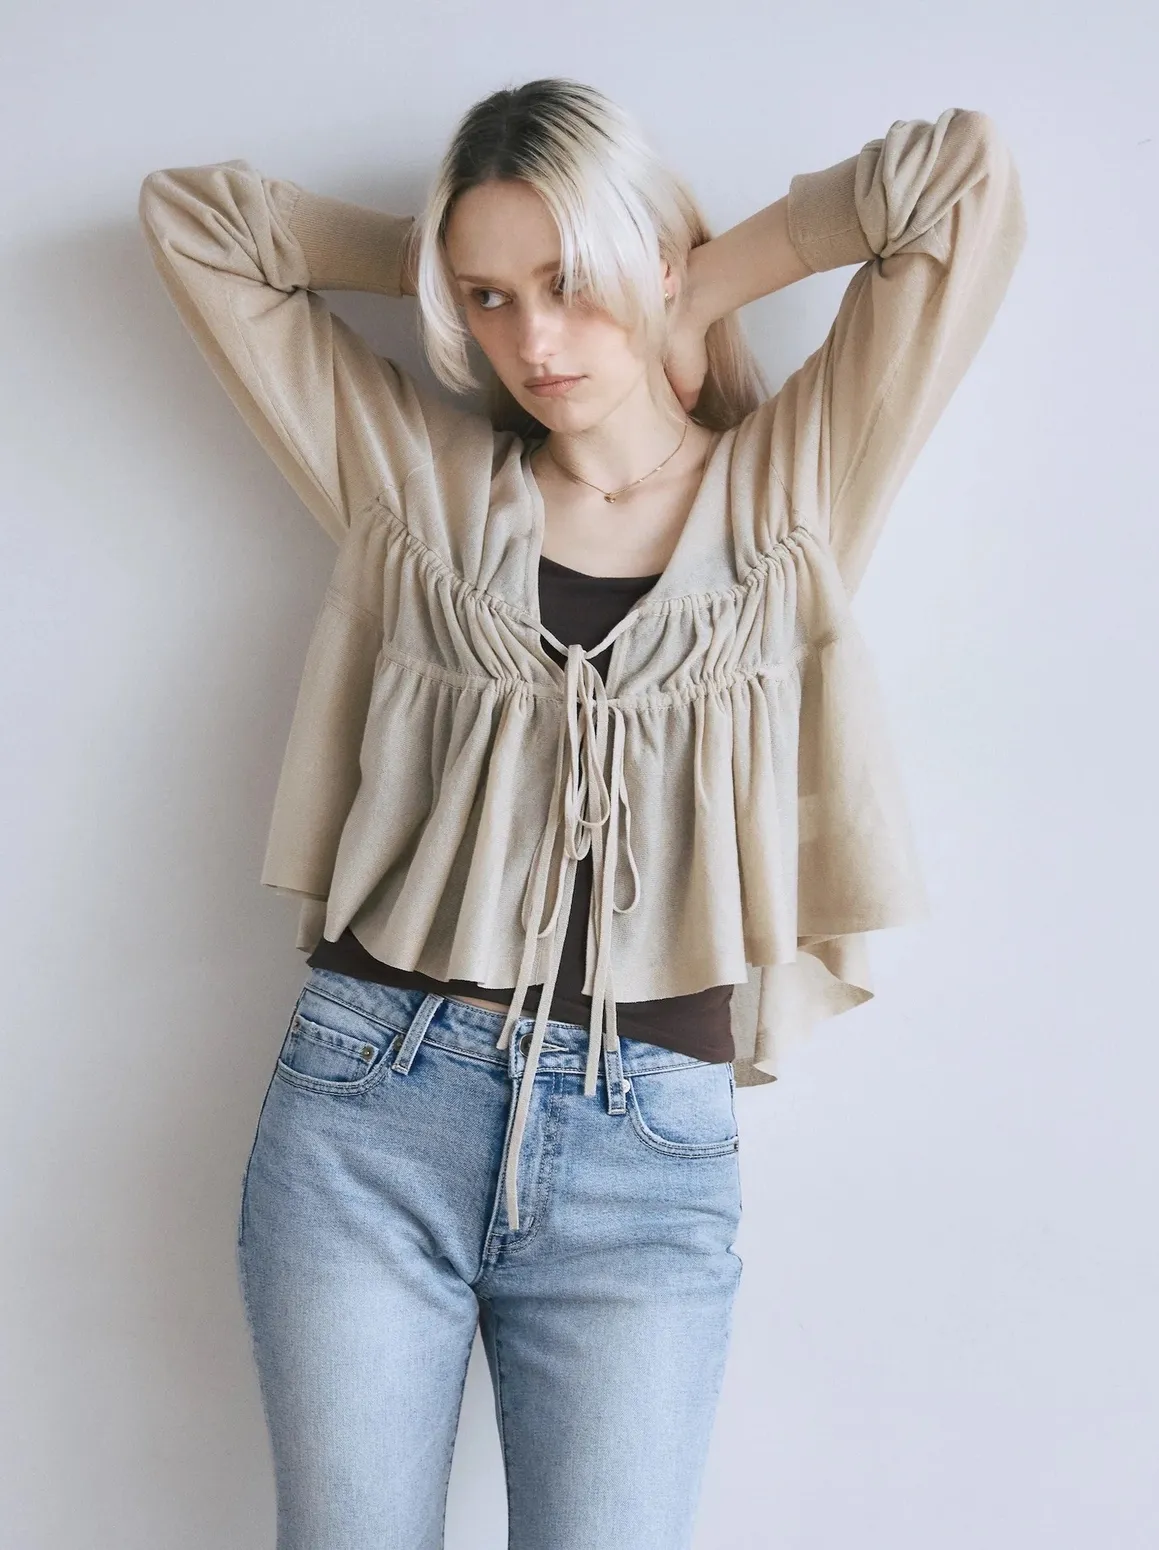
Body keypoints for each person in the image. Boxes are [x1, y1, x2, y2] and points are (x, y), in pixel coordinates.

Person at [139, 77, 1025, 1550]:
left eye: (571, 282)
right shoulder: (423, 494)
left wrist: (698, 280)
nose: (534, 343)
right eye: (489, 301)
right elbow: (197, 224)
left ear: (646, 256)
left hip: (644, 1159)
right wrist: (440, 259)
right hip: (368, 1116)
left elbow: (960, 185)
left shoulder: (792, 498)